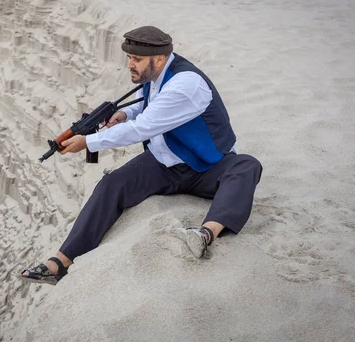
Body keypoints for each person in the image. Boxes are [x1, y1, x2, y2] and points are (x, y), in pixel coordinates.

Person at [19, 26, 263, 285]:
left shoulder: (185, 84)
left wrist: (88, 141)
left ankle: (206, 232)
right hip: (164, 164)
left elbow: (142, 128)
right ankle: (61, 262)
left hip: (206, 166)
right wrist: (124, 114)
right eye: (129, 58)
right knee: (111, 185)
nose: (130, 64)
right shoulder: (154, 75)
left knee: (246, 166)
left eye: (136, 59)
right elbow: (143, 106)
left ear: (158, 58)